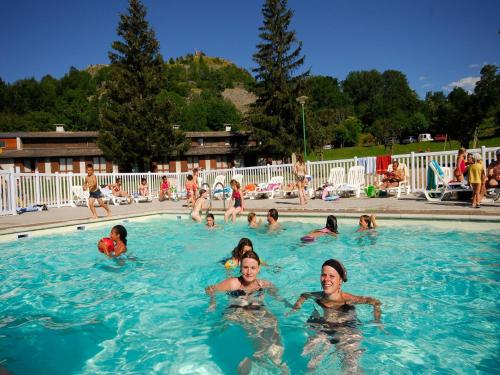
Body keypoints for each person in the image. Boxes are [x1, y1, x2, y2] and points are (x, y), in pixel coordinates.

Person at [290, 259, 382, 371]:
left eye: (331, 276)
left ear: (340, 281)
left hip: (346, 329)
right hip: (322, 327)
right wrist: (296, 307)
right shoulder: (317, 296)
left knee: (351, 366)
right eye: (323, 275)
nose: (326, 279)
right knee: (310, 362)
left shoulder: (349, 299)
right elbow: (304, 295)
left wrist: (377, 321)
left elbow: (375, 302)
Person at [206, 251, 289, 373]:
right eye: (245, 267)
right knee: (253, 323)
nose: (249, 272)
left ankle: (277, 360)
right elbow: (210, 290)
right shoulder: (233, 283)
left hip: (257, 311)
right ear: (240, 268)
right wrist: (213, 302)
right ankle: (259, 356)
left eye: (253, 268)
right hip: (237, 312)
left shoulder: (263, 284)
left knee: (272, 320)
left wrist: (288, 304)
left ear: (258, 269)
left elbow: (277, 294)